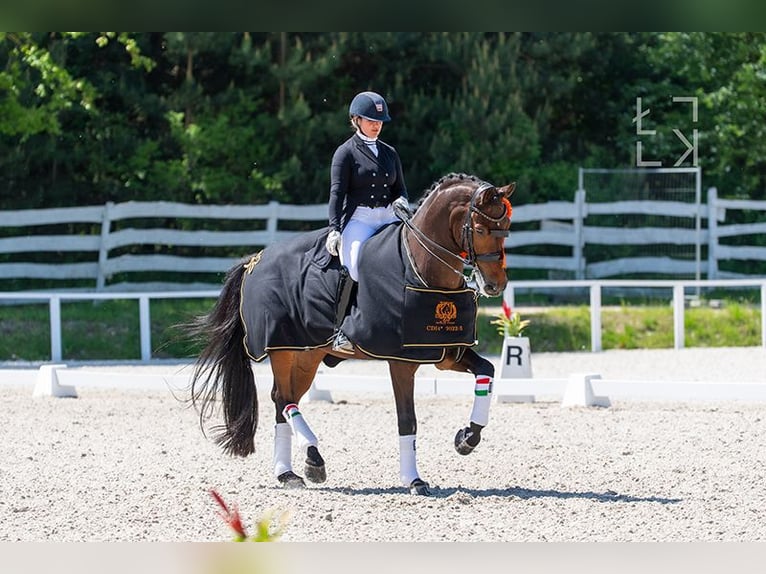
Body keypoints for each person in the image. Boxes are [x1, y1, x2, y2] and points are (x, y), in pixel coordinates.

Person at [325, 90, 411, 353]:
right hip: (360, 217)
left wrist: (402, 202)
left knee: (412, 258)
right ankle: (340, 329)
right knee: (352, 265)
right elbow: (337, 193)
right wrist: (334, 229)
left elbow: (401, 189)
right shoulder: (345, 153)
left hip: (387, 215)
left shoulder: (389, 152)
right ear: (356, 120)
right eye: (371, 120)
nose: (377, 125)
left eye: (380, 121)